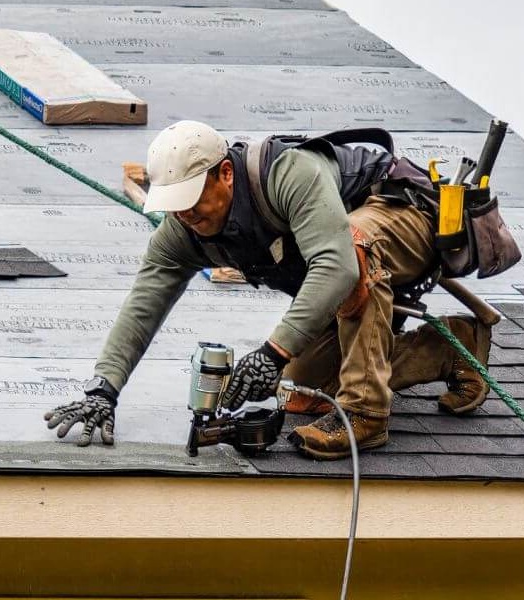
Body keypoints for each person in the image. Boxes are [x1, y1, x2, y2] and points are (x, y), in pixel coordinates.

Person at [44, 120, 490, 460]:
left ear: (225, 174)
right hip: (355, 280)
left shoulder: (287, 174)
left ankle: (367, 414)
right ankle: (451, 350)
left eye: (192, 201)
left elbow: (335, 266)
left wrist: (271, 353)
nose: (186, 216)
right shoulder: (185, 228)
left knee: (352, 246)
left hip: (403, 217)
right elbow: (144, 302)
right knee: (305, 387)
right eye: (175, 207)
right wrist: (103, 389)